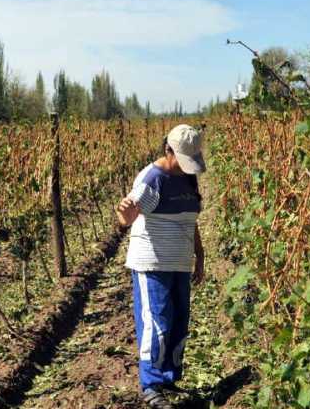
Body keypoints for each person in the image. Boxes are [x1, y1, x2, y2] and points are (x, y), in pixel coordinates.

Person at [115, 124, 205, 409]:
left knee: (179, 320)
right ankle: (151, 385)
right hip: (152, 262)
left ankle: (168, 378)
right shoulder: (153, 178)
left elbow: (191, 220)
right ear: (168, 150)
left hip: (179, 262)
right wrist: (124, 212)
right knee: (157, 322)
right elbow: (127, 217)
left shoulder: (188, 178)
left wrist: (199, 256)